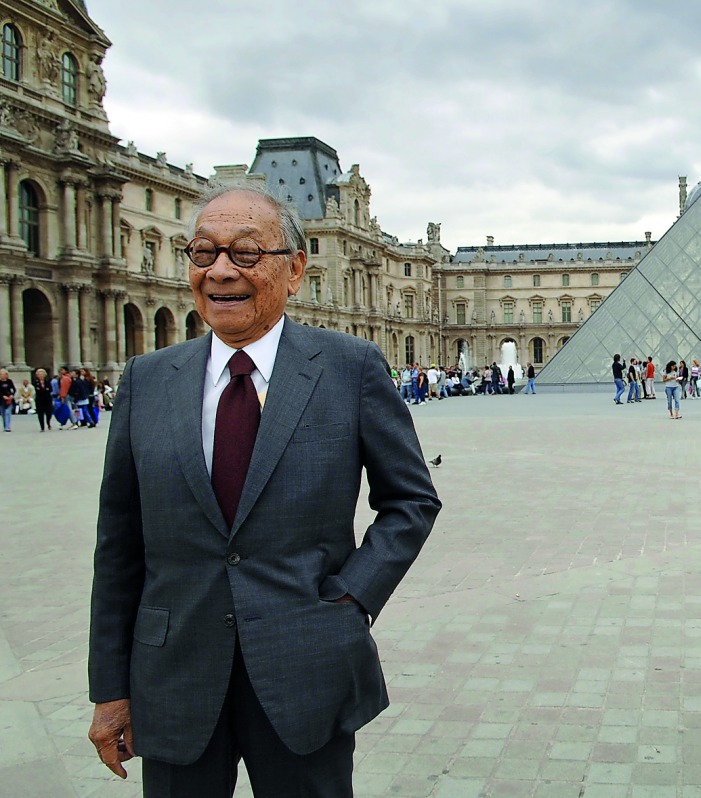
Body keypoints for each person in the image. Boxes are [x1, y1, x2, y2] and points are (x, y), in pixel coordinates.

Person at [87, 184, 441, 796]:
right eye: (203, 252)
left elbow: (411, 500)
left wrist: (353, 599)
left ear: (295, 269)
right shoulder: (147, 379)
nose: (221, 271)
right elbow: (118, 544)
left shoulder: (350, 367)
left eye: (246, 254)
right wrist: (109, 688)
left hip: (307, 663)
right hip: (173, 677)